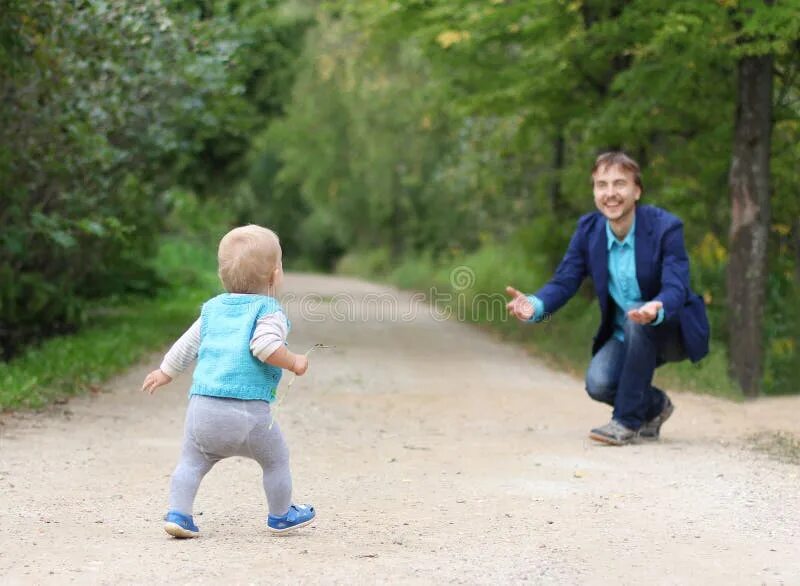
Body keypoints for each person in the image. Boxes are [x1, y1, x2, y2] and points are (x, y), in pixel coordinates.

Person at [506, 152, 709, 445]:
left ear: (636, 191)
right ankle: (656, 407)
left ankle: (625, 422)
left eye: (619, 184)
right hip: (624, 332)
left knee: (637, 319)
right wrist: (535, 305)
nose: (610, 194)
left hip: (669, 328)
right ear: (594, 192)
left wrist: (656, 306)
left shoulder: (666, 227)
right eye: (602, 185)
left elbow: (677, 286)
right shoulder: (588, 231)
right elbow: (565, 280)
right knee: (598, 383)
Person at [141, 224, 315, 537]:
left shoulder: (212, 309)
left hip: (203, 410)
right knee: (276, 460)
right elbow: (263, 346)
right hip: (249, 414)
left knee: (191, 462)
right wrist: (294, 362)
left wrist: (165, 371)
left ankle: (179, 514)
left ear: (223, 277)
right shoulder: (268, 310)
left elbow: (187, 344)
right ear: (275, 276)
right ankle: (281, 514)